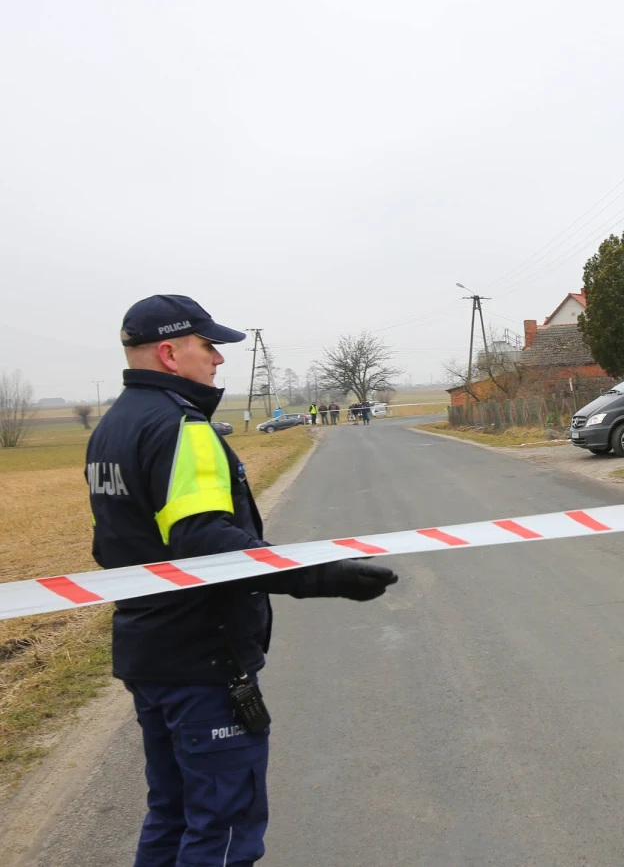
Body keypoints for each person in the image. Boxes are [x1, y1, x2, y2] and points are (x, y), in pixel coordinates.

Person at [87, 295, 397, 867]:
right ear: (169, 353)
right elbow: (208, 544)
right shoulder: (182, 428)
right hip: (201, 659)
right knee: (223, 829)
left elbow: (116, 543)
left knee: (172, 814)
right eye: (208, 347)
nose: (218, 360)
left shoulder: (112, 427)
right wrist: (325, 575)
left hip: (148, 650)